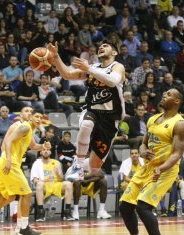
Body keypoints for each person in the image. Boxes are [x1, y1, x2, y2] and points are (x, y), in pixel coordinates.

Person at [115, 89, 184, 235]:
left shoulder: (179, 124)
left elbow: (177, 154)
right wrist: (142, 151)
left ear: (177, 101)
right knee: (125, 205)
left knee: (143, 207)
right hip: (147, 167)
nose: (164, 95)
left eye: (169, 94)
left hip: (165, 170)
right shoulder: (153, 119)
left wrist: (161, 168)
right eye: (165, 93)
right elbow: (143, 143)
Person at [47, 41, 126, 181]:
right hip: (92, 110)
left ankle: (79, 167)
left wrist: (88, 69)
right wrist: (56, 57)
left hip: (110, 119)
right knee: (86, 124)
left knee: (94, 167)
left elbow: (112, 81)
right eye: (100, 46)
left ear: (114, 53)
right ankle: (77, 164)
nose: (101, 46)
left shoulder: (117, 67)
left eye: (106, 46)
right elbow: (67, 75)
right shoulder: (92, 67)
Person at [0, 108, 51, 235]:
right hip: (9, 163)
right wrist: (9, 159)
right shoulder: (24, 127)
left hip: (6, 162)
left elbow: (33, 146)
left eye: (40, 117)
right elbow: (8, 141)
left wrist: (43, 146)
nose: (38, 119)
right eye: (36, 116)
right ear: (30, 117)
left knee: (6, 197)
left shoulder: (30, 130)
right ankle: (23, 227)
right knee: (26, 193)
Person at [31, 148, 74, 222]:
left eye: (47, 150)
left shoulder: (56, 162)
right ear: (41, 152)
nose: (46, 151)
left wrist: (58, 173)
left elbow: (61, 179)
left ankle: (67, 212)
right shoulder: (37, 164)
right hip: (45, 185)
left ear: (50, 152)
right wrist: (45, 180)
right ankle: (41, 212)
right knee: (39, 184)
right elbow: (35, 181)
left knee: (69, 184)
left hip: (56, 184)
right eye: (44, 150)